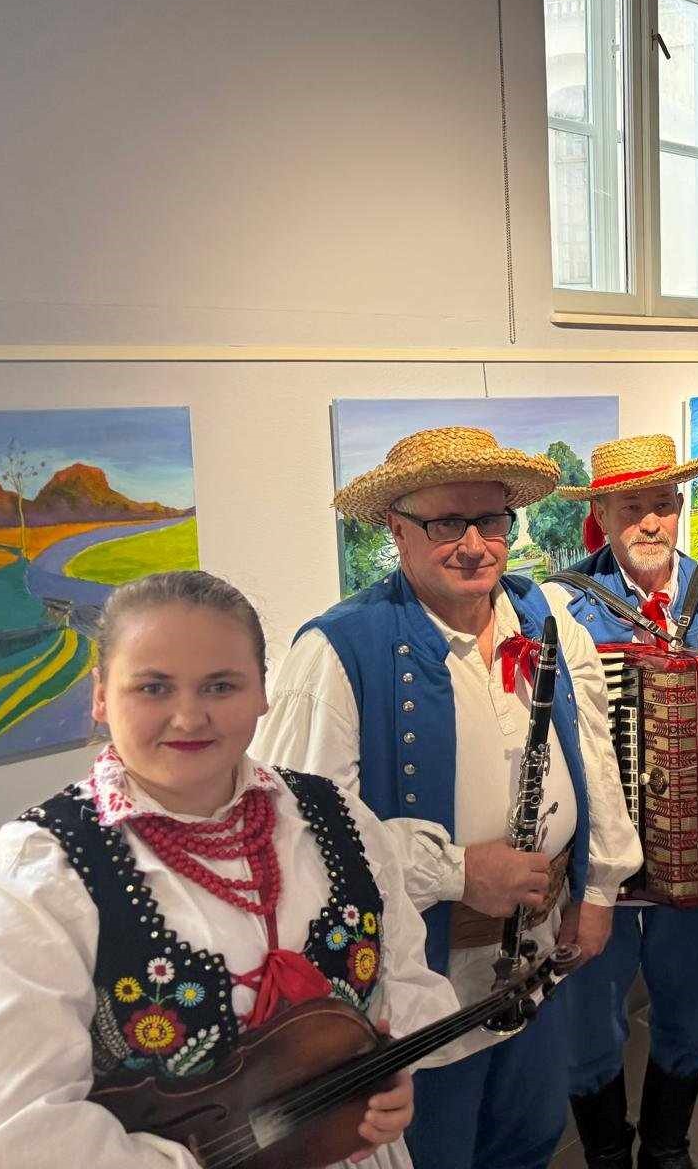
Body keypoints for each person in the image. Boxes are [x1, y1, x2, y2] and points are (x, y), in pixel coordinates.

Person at [0, 570, 459, 1169]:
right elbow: (2, 1139)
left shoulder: (336, 818)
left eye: (220, 686)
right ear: (101, 695)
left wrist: (387, 1074)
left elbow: (400, 983)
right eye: (153, 687)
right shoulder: (39, 875)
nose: (188, 717)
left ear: (263, 692)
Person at [252, 427, 643, 1169]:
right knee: (441, 1151)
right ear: (396, 529)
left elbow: (597, 760)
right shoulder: (336, 651)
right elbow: (296, 843)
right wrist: (458, 872)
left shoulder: (545, 617)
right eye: (444, 524)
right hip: (424, 983)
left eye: (489, 520)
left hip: (539, 957)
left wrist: (598, 890)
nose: (473, 546)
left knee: (528, 1141)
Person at [538, 434, 698, 1169]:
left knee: (691, 1014)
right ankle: (607, 1154)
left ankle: (667, 1147)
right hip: (596, 860)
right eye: (632, 507)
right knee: (587, 1025)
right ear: (601, 514)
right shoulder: (561, 602)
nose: (652, 522)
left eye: (663, 504)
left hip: (695, 854)